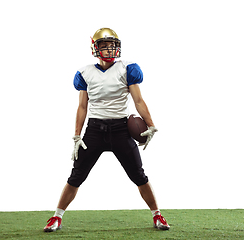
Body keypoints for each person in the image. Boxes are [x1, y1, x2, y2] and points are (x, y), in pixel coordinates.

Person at [44, 28, 170, 232]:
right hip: (95, 130)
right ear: (95, 47)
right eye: (105, 45)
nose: (110, 49)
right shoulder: (85, 72)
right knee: (76, 176)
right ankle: (56, 217)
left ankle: (157, 215)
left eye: (112, 45)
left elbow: (138, 100)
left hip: (121, 129)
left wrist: (151, 124)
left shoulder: (127, 68)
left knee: (139, 175)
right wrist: (77, 135)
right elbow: (82, 107)